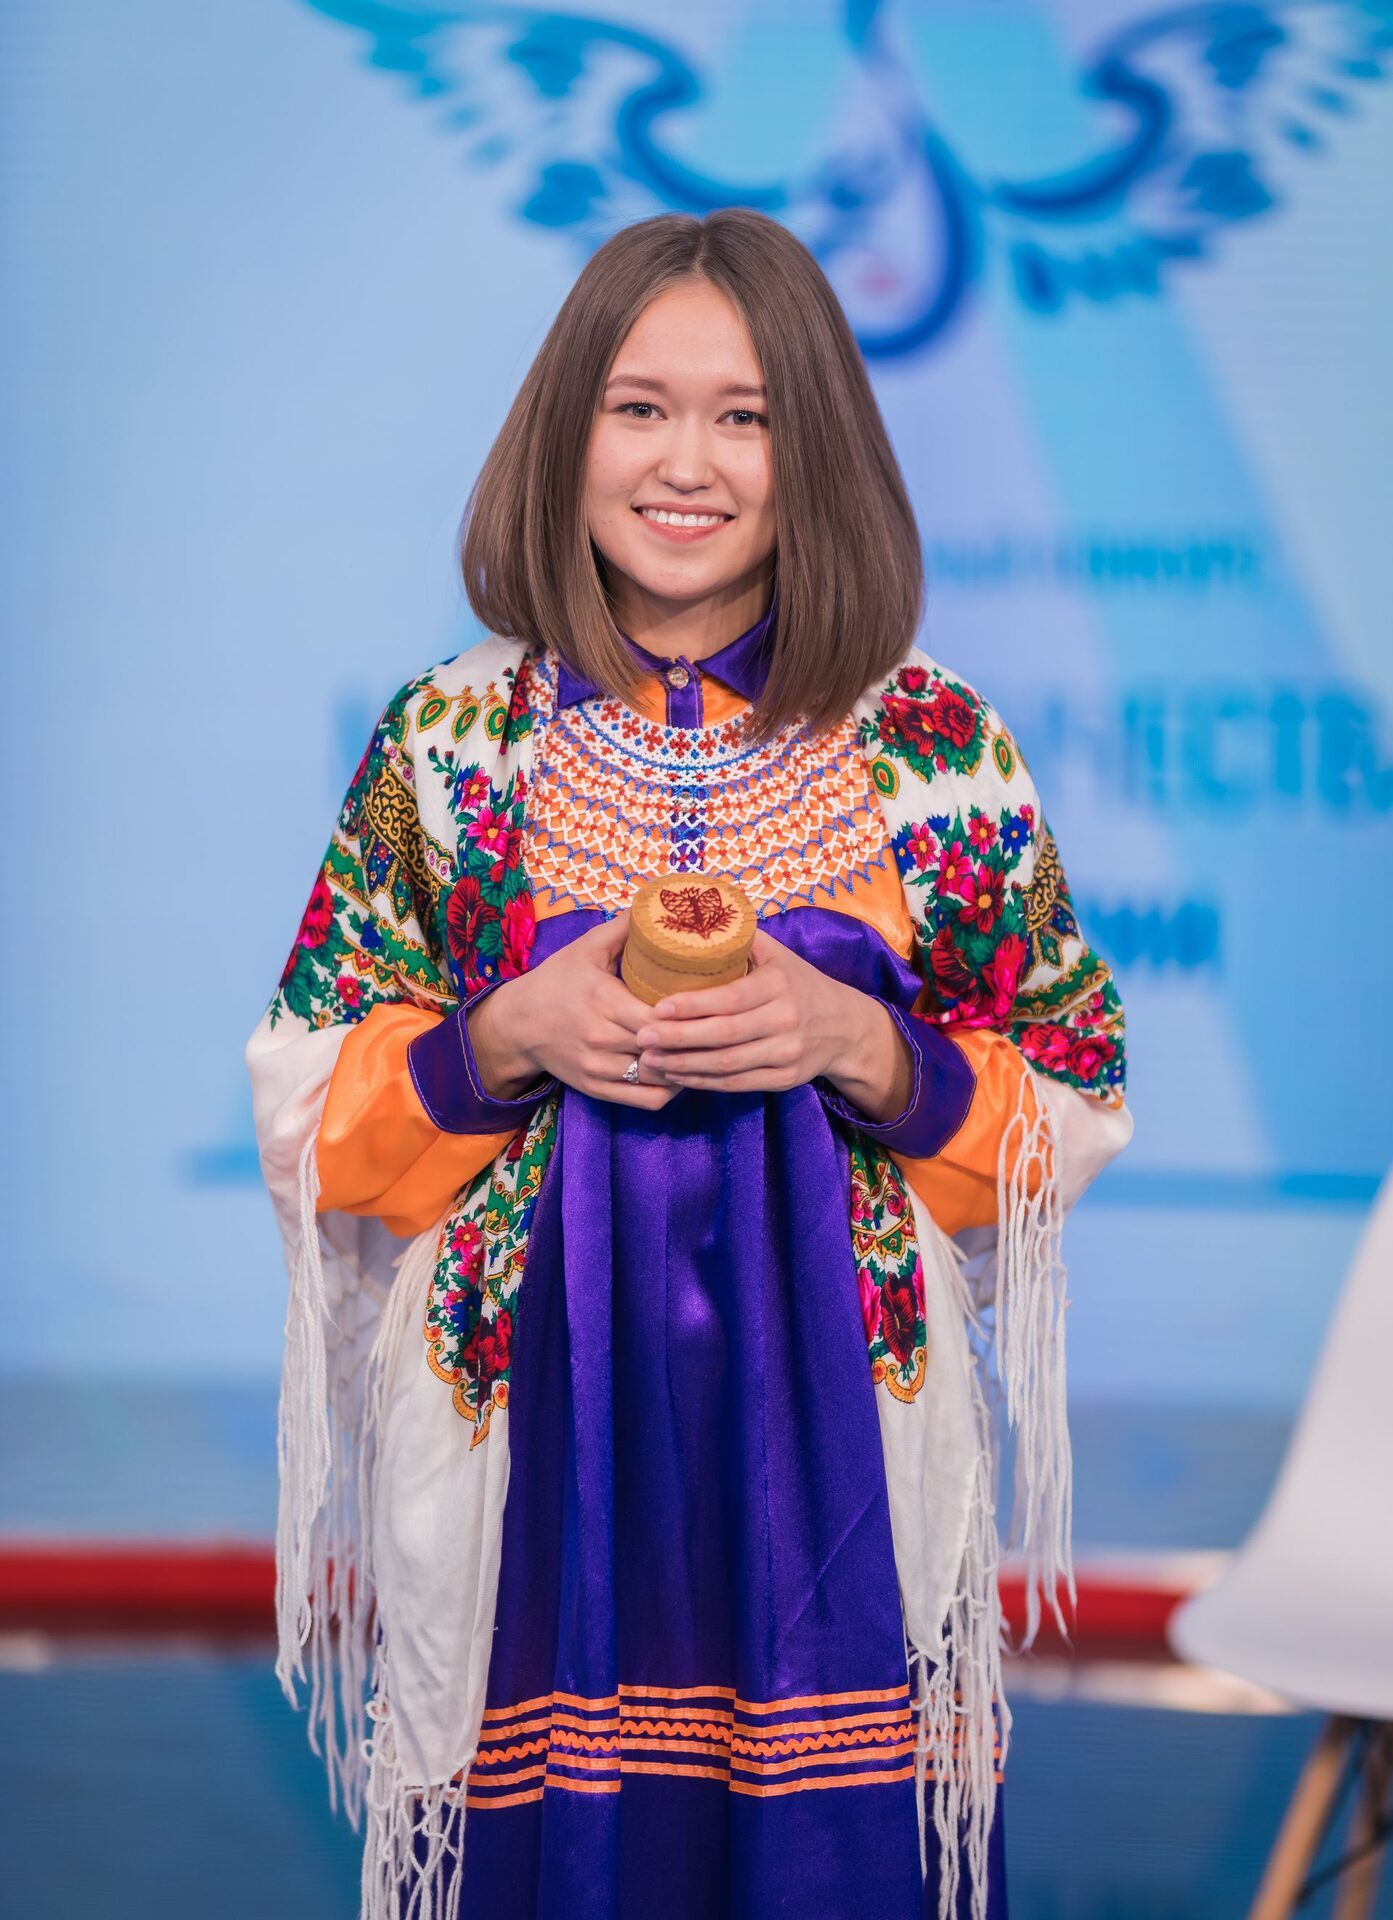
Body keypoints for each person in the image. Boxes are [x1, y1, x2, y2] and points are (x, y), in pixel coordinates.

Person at [247, 208, 1132, 1920]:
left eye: (746, 417)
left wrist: (864, 1046)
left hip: (841, 1447)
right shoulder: (452, 739)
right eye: (638, 407)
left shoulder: (929, 744)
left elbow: (1071, 1088)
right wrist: (500, 1041)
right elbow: (308, 1103)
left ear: (821, 454)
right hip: (525, 1434)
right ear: (562, 428)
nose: (686, 463)